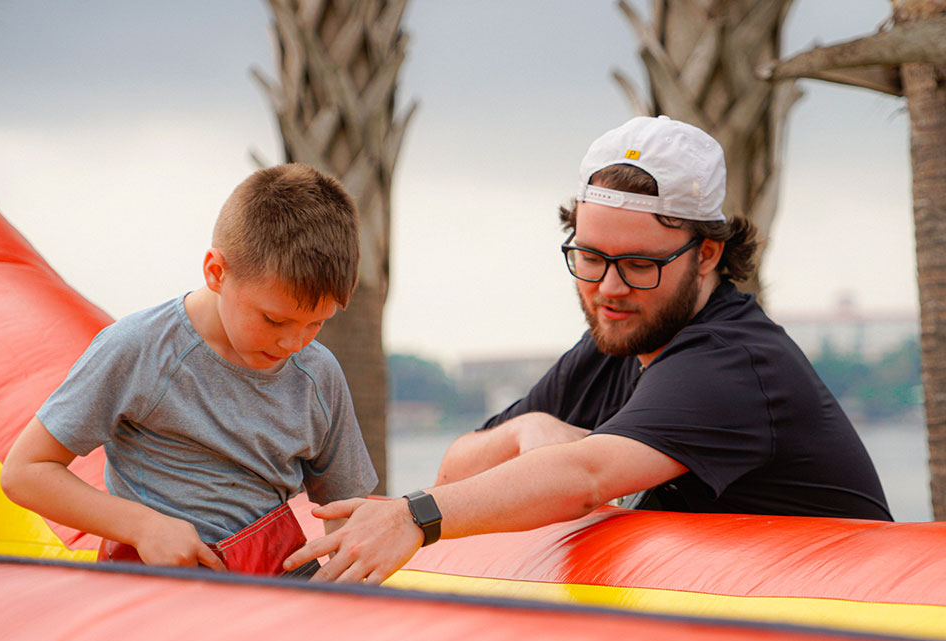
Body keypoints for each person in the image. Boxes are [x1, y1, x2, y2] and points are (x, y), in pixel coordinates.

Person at [282, 115, 892, 584]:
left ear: (707, 254)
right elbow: (460, 468)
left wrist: (413, 518)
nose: (609, 289)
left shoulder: (734, 362)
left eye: (639, 265)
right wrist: (530, 430)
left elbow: (583, 474)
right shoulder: (622, 333)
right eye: (591, 258)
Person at [1, 163, 377, 576]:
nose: (293, 344)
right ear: (216, 273)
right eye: (274, 320)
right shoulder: (140, 348)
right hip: (160, 585)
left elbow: (346, 511)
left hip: (275, 584)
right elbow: (24, 472)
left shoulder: (318, 375)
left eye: (316, 323)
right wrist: (143, 526)